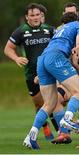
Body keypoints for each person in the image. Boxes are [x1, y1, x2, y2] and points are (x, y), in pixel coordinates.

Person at [23, 12, 79, 149]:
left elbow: (54, 50)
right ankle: (67, 120)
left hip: (42, 60)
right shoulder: (78, 25)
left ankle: (31, 137)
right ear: (77, 21)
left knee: (49, 104)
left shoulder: (59, 30)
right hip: (55, 58)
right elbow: (78, 46)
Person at [4, 3, 55, 140]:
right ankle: (45, 126)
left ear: (41, 16)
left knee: (55, 100)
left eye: (37, 14)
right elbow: (8, 48)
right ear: (27, 17)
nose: (35, 17)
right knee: (39, 103)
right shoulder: (21, 31)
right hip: (31, 74)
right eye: (32, 15)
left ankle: (61, 131)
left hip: (50, 71)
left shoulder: (49, 30)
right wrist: (16, 58)